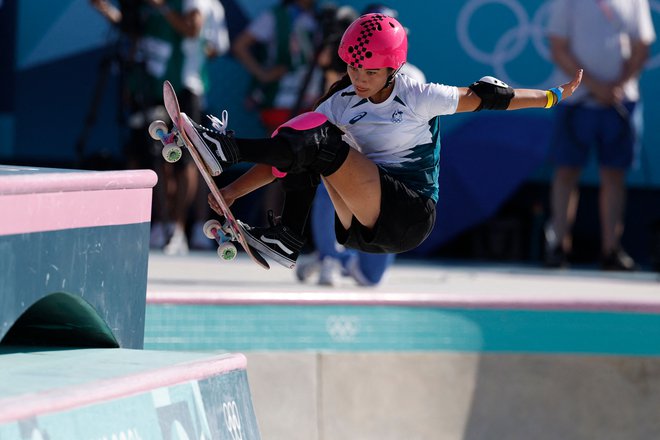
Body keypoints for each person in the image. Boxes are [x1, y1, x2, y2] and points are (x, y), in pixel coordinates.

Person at [179, 12, 583, 270]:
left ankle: (227, 148)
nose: (358, 77)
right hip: (362, 220)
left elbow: (494, 99)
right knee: (306, 130)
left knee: (319, 139)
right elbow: (284, 158)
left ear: (392, 69)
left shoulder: (419, 96)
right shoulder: (342, 101)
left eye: (369, 71)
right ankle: (286, 238)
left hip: (409, 212)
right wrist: (232, 190)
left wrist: (553, 95)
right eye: (353, 67)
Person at [296, 4, 426, 286]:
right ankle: (329, 257)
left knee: (370, 278)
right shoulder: (351, 73)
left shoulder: (414, 79)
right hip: (353, 158)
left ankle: (329, 259)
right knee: (329, 180)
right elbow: (330, 107)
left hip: (390, 175)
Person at [91, 0, 218, 255]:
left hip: (183, 87)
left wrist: (162, 7)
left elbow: (193, 29)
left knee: (186, 159)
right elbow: (135, 32)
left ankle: (179, 227)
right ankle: (162, 223)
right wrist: (104, 9)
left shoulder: (188, 3)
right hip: (150, 86)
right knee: (154, 155)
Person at [544, 0, 656, 271]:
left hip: (620, 101)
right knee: (567, 171)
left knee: (615, 174)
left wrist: (617, 85)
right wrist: (593, 85)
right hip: (576, 101)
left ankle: (611, 250)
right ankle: (558, 246)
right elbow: (558, 47)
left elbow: (642, 46)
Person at [232, 0, 323, 134]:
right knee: (278, 146)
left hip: (312, 97)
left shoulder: (322, 17)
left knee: (308, 148)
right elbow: (239, 46)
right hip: (279, 97)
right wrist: (263, 74)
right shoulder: (276, 16)